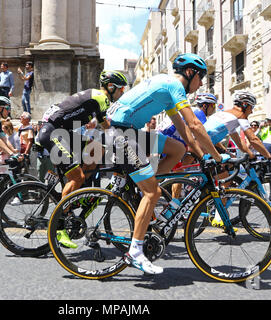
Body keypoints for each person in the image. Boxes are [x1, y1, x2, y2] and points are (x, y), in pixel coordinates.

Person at [106, 53, 227, 274]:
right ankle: (134, 252)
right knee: (153, 194)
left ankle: (147, 184)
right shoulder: (174, 86)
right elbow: (196, 125)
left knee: (177, 148)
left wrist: (203, 156)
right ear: (190, 73)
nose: (200, 85)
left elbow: (186, 133)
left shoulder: (169, 89)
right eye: (200, 78)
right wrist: (217, 158)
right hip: (121, 134)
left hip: (130, 130)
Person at [36, 70, 128, 247]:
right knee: (76, 176)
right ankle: (60, 226)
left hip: (63, 132)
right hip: (53, 133)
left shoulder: (95, 97)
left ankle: (80, 189)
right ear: (111, 86)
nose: (122, 93)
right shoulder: (101, 98)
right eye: (121, 89)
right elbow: (107, 126)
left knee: (97, 149)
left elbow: (103, 128)